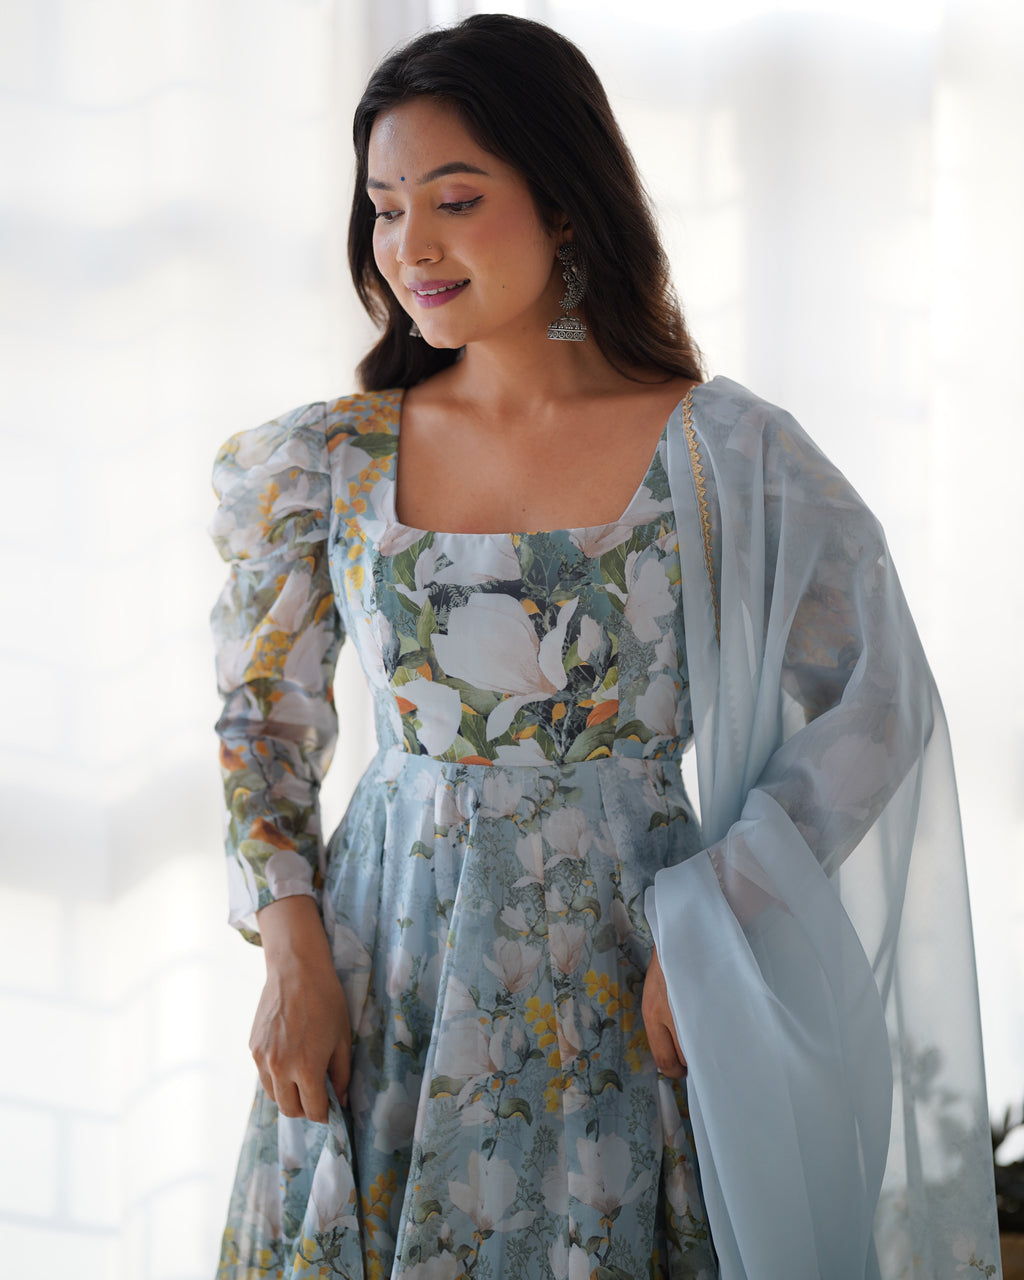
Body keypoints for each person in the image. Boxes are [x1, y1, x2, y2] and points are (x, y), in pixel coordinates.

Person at [209, 14, 1000, 1280]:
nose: (411, 244)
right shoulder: (329, 458)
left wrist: (724, 912)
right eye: (385, 208)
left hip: (626, 977)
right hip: (383, 975)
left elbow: (878, 698)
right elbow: (263, 722)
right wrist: (292, 950)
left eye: (455, 199)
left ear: (566, 203)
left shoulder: (722, 452)